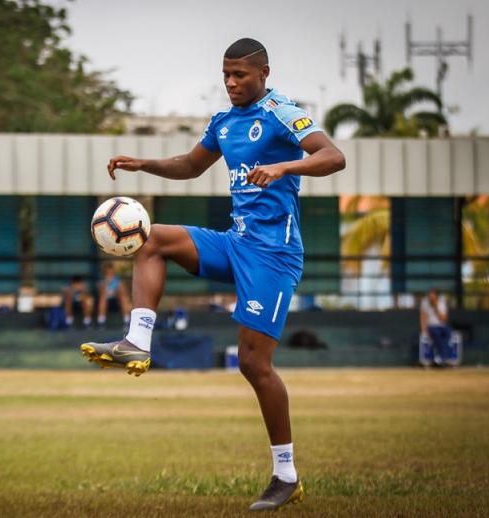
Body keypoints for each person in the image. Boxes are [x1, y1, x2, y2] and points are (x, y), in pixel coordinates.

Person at [80, 38, 345, 511]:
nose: (230, 83)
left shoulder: (283, 112)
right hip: (236, 243)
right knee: (151, 238)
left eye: (239, 74)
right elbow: (189, 165)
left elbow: (332, 156)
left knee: (252, 364)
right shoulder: (224, 122)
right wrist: (143, 164)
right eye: (225, 74)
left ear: (263, 72)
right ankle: (137, 342)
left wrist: (284, 166)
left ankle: (286, 475)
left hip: (274, 256)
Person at [420, 288, 451, 366]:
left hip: (442, 326)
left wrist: (436, 307)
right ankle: (442, 358)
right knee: (436, 334)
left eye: (433, 296)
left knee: (448, 333)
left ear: (436, 296)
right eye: (430, 296)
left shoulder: (441, 303)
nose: (431, 297)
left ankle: (440, 358)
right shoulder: (425, 303)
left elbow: (444, 319)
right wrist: (424, 330)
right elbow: (423, 317)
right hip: (431, 327)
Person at [96, 262, 131, 328]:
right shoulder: (101, 281)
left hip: (117, 300)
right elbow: (101, 293)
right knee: (103, 298)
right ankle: (101, 321)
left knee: (123, 297)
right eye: (108, 272)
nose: (110, 274)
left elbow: (123, 292)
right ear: (105, 272)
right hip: (106, 300)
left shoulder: (118, 281)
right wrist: (107, 282)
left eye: (111, 272)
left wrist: (116, 291)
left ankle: (127, 320)